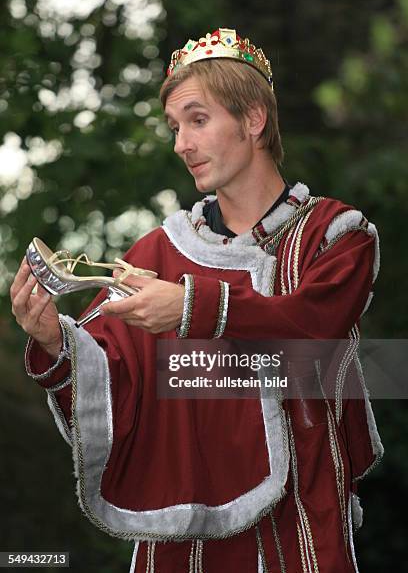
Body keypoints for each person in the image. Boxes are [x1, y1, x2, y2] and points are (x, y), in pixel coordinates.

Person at [10, 28, 383, 573]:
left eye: (198, 120)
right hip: (181, 543)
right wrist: (54, 342)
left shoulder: (336, 235)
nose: (181, 143)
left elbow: (311, 337)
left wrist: (190, 308)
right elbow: (111, 378)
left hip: (302, 527)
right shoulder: (154, 252)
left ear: (253, 120)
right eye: (175, 127)